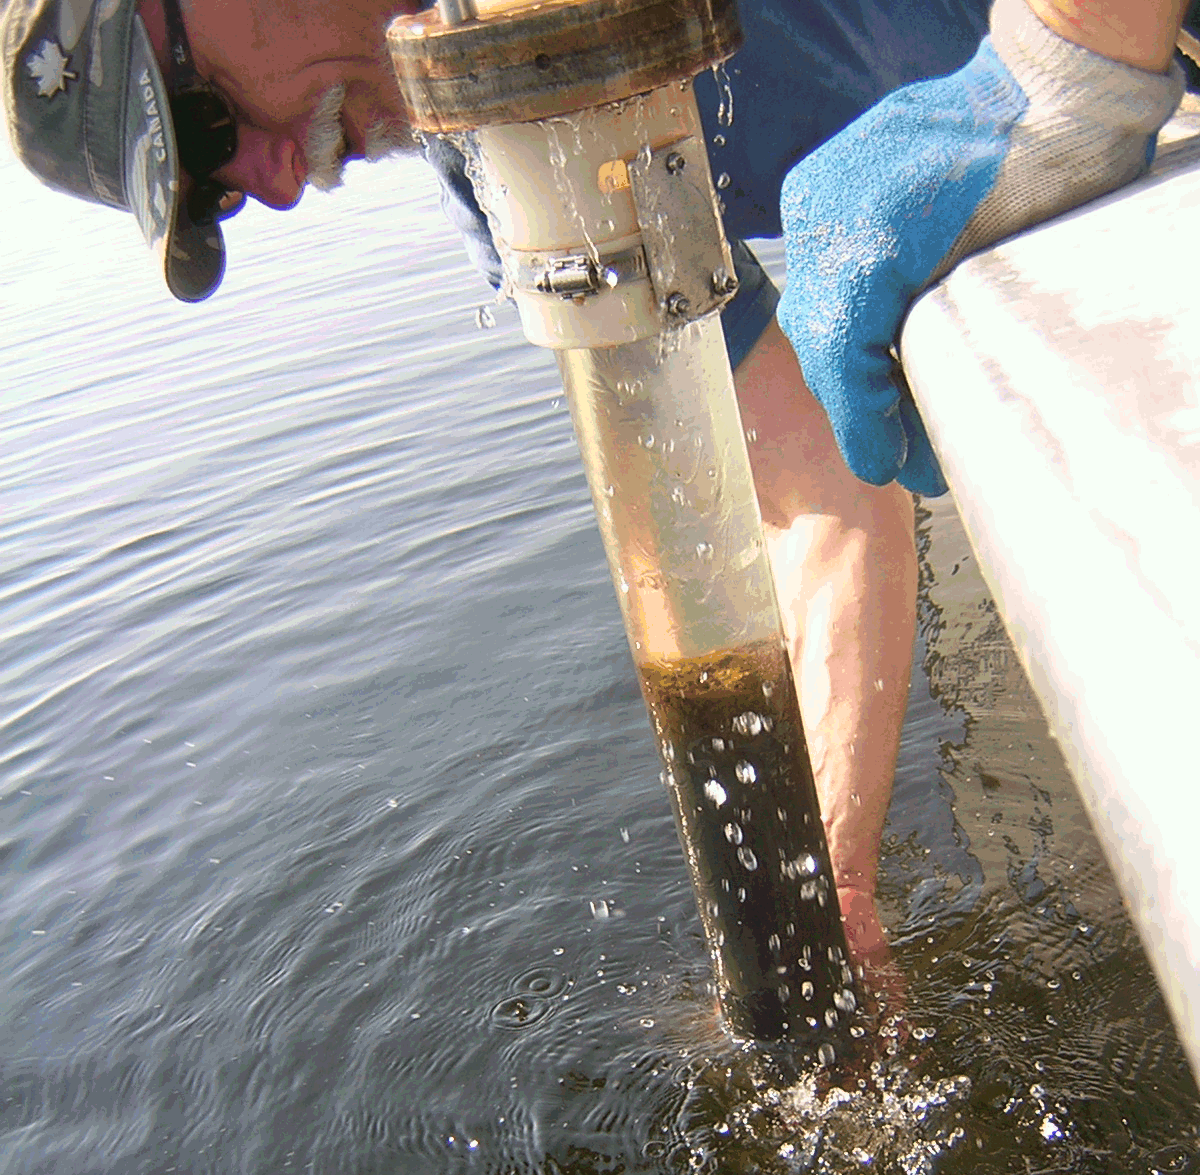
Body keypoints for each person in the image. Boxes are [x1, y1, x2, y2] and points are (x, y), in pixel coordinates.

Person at [2, 0, 1187, 977]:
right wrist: (832, 883)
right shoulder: (514, 166)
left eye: (207, 123)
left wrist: (1069, 59)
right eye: (214, 196)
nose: (267, 183)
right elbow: (812, 481)